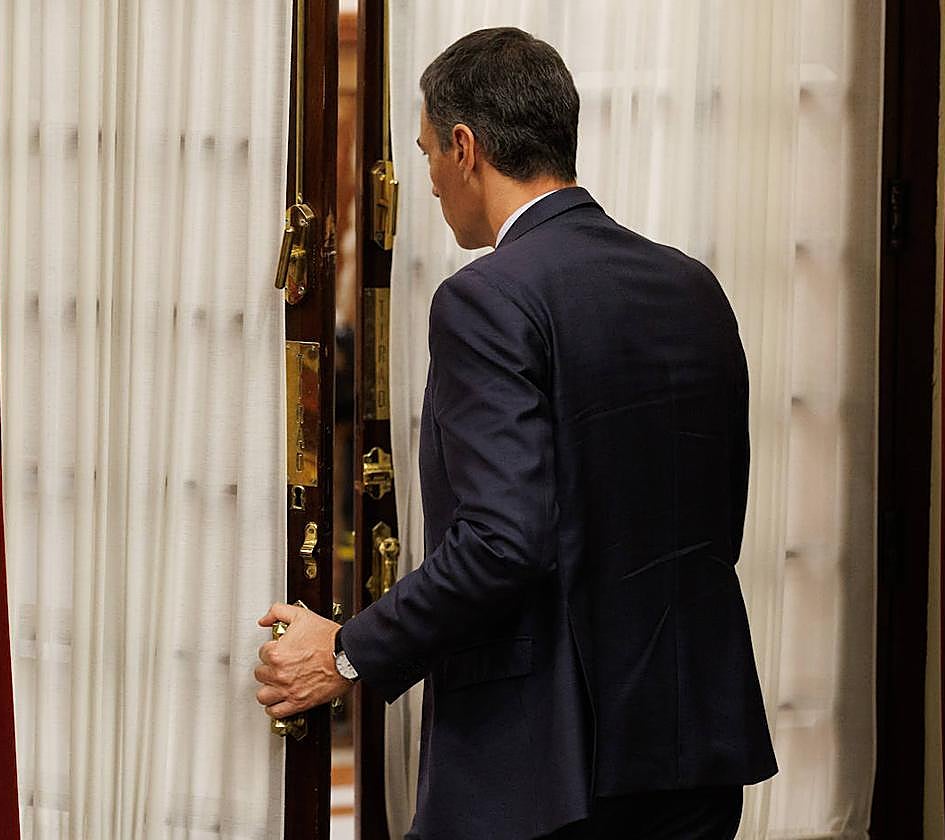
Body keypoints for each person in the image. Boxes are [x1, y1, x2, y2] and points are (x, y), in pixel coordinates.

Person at [253, 27, 777, 840]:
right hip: (694, 746)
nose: (430, 181)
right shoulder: (692, 287)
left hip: (541, 772)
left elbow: (504, 542)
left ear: (466, 148)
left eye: (428, 154)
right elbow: (711, 520)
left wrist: (346, 650)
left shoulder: (486, 299)